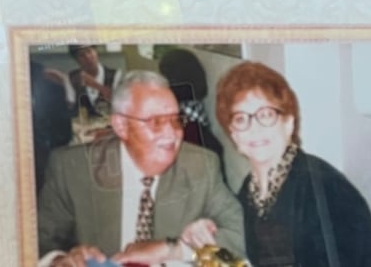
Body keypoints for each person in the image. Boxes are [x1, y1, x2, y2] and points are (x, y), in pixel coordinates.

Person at [38, 71, 245, 266]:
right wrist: (59, 260)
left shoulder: (201, 165)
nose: (172, 134)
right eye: (156, 122)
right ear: (121, 126)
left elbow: (242, 238)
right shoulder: (72, 169)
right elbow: (36, 241)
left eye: (176, 120)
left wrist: (175, 248)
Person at [215, 61, 371, 267]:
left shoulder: (325, 187)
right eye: (241, 119)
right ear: (234, 135)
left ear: (288, 123)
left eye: (265, 115)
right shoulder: (250, 190)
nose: (254, 128)